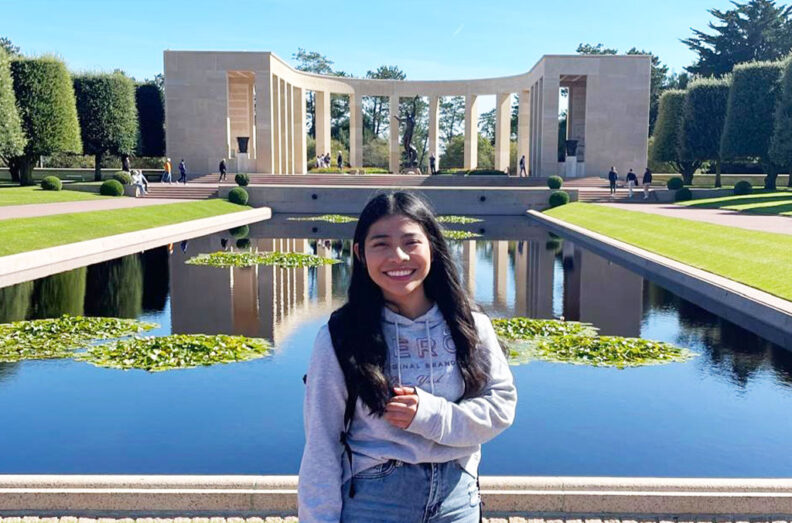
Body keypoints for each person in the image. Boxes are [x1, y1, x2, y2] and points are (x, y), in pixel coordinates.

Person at [298, 192, 517, 523]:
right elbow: (321, 444)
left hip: (456, 498)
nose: (398, 257)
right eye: (381, 244)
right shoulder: (340, 335)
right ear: (359, 253)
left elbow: (501, 406)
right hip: (375, 499)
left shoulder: (470, 325)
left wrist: (430, 415)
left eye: (411, 242)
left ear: (432, 245)